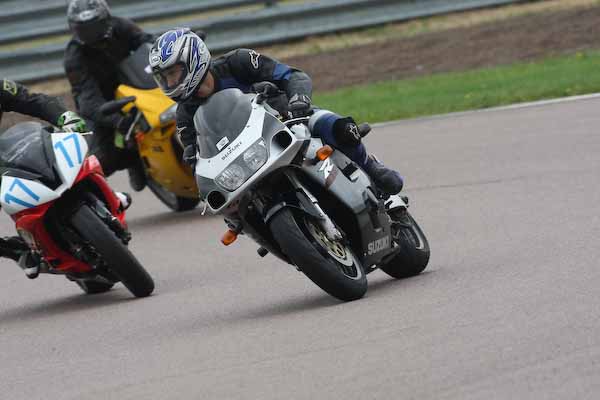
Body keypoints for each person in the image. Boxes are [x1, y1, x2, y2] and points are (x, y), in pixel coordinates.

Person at [148, 29, 404, 196]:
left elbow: (293, 76)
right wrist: (197, 167)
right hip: (244, 160)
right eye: (164, 77)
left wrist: (299, 100)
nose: (169, 82)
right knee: (235, 211)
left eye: (173, 73)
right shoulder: (185, 114)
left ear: (193, 59)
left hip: (288, 121)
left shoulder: (238, 62)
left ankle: (371, 167)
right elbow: (195, 156)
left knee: (339, 128)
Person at [0, 79, 90, 277]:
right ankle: (17, 250)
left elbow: (32, 100)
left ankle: (98, 190)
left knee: (66, 145)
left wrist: (63, 116)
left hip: (8, 148)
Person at [64, 0, 154, 190]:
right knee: (102, 159)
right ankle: (132, 161)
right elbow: (87, 100)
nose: (92, 34)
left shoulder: (122, 26)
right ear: (74, 29)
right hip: (102, 104)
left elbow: (148, 42)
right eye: (84, 29)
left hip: (135, 86)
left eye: (95, 26)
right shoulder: (74, 57)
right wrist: (117, 121)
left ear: (106, 20)